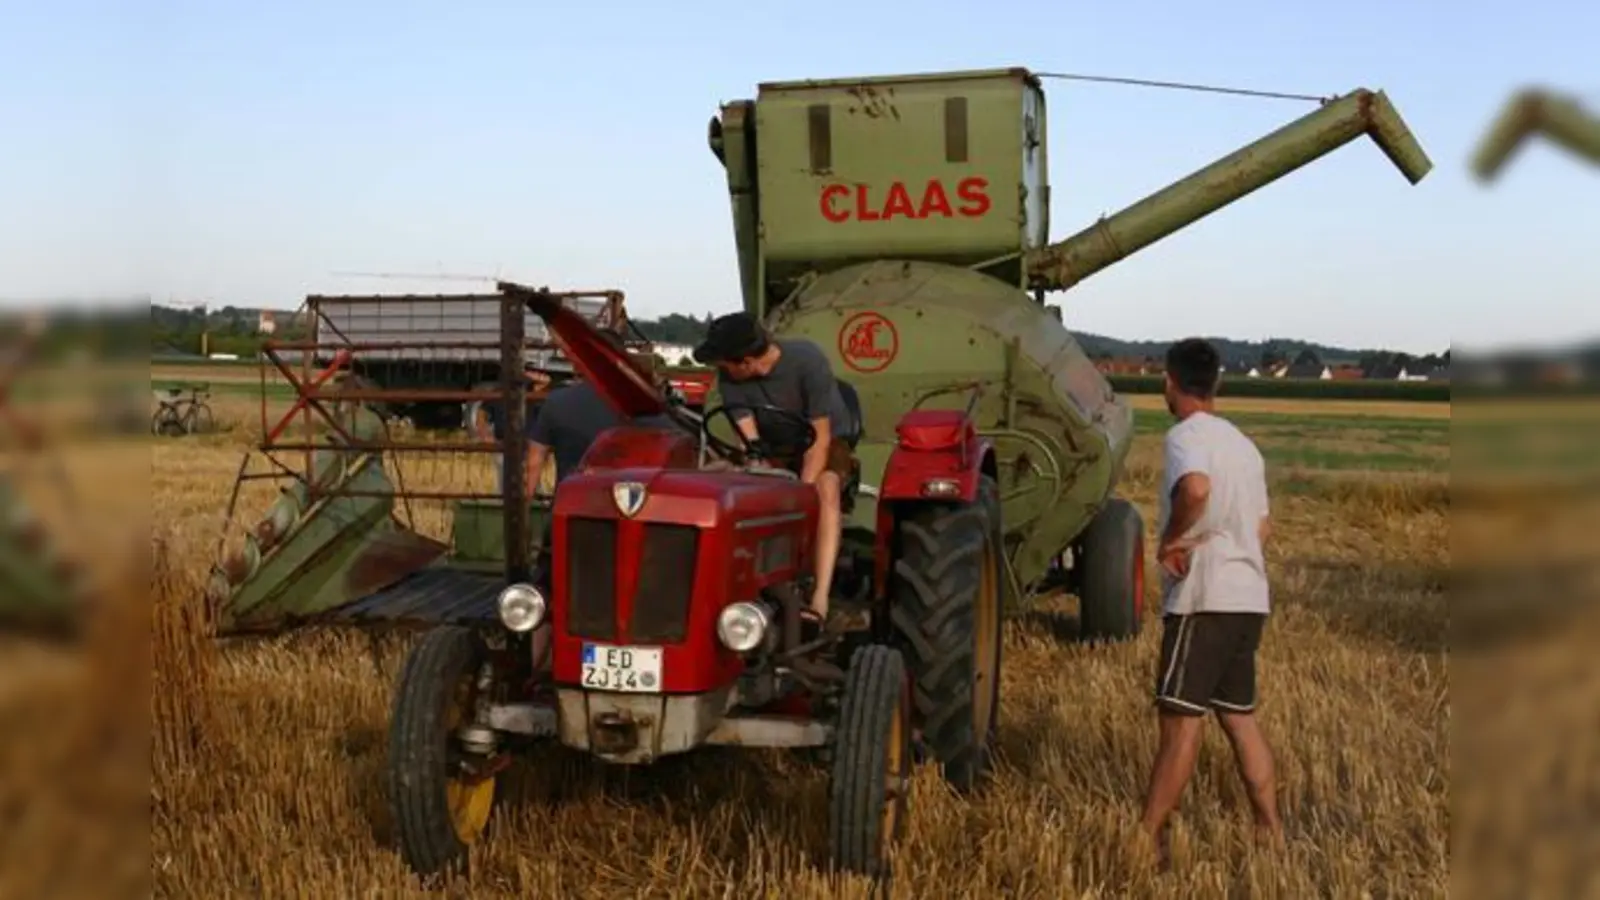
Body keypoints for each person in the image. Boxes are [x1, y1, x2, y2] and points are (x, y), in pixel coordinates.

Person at [1138, 337, 1283, 861]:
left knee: (1180, 725)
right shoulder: (1245, 446)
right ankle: (1271, 833)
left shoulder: (1185, 436)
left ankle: (1145, 839)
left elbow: (1195, 490)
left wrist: (1172, 540)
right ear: (1217, 384)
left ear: (1169, 384)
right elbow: (1263, 528)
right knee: (1240, 720)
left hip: (1205, 599)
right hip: (1249, 597)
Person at [692, 311, 857, 630]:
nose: (721, 371)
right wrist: (757, 466)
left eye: (725, 364)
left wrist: (800, 495)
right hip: (773, 442)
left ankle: (820, 599)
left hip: (826, 437)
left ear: (746, 362)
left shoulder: (808, 361)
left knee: (826, 487)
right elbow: (750, 440)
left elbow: (819, 437)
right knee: (730, 479)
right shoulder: (731, 380)